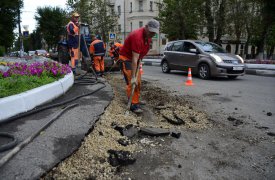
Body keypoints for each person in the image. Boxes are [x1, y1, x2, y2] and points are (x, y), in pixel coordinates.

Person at [118, 19, 160, 113]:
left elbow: (140, 54)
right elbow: (134, 58)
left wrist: (140, 62)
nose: (153, 34)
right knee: (132, 81)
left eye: (154, 32)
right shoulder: (137, 36)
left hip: (135, 59)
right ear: (146, 27)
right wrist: (133, 76)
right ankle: (133, 104)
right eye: (151, 32)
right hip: (126, 58)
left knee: (138, 82)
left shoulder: (148, 37)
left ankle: (136, 100)